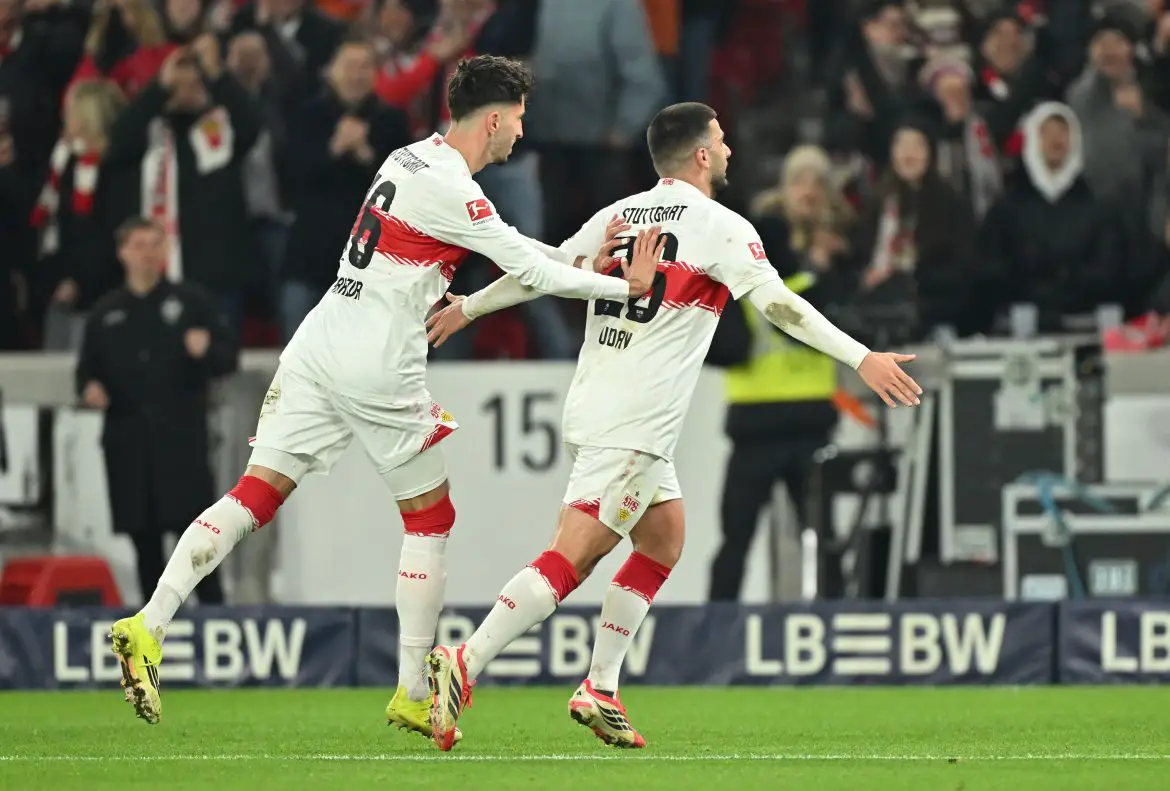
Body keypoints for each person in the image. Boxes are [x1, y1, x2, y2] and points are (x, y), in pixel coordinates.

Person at [106, 54, 661, 736]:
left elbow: (517, 249)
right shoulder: (455, 188)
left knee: (255, 493)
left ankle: (148, 621)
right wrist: (621, 287)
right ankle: (410, 689)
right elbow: (523, 264)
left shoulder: (407, 158)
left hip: (320, 339)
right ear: (491, 119)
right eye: (517, 121)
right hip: (376, 361)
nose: (520, 134)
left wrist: (579, 255)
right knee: (431, 516)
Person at [422, 102, 923, 751]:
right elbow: (776, 305)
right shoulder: (719, 226)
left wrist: (470, 308)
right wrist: (862, 356)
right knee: (572, 555)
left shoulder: (618, 214)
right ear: (704, 155)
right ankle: (466, 659)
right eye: (722, 139)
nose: (731, 151)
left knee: (663, 539)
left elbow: (541, 267)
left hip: (603, 404)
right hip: (633, 419)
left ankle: (600, 685)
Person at [76, 217, 236, 610]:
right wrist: (89, 389)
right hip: (129, 445)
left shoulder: (191, 303)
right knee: (144, 546)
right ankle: (156, 634)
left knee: (198, 543)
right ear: (123, 253)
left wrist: (206, 351)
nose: (149, 253)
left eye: (156, 244)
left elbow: (227, 358)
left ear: (167, 250)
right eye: (140, 245)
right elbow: (85, 373)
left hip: (181, 445)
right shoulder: (104, 313)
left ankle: (219, 620)